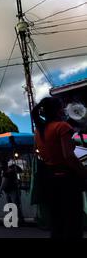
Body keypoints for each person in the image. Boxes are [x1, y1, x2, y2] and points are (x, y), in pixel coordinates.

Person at [32, 97, 87, 238]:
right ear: (57, 110)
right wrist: (84, 172)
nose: (64, 110)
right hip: (67, 181)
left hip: (49, 181)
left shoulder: (39, 131)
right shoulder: (62, 127)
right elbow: (68, 156)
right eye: (61, 107)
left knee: (57, 223)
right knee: (73, 223)